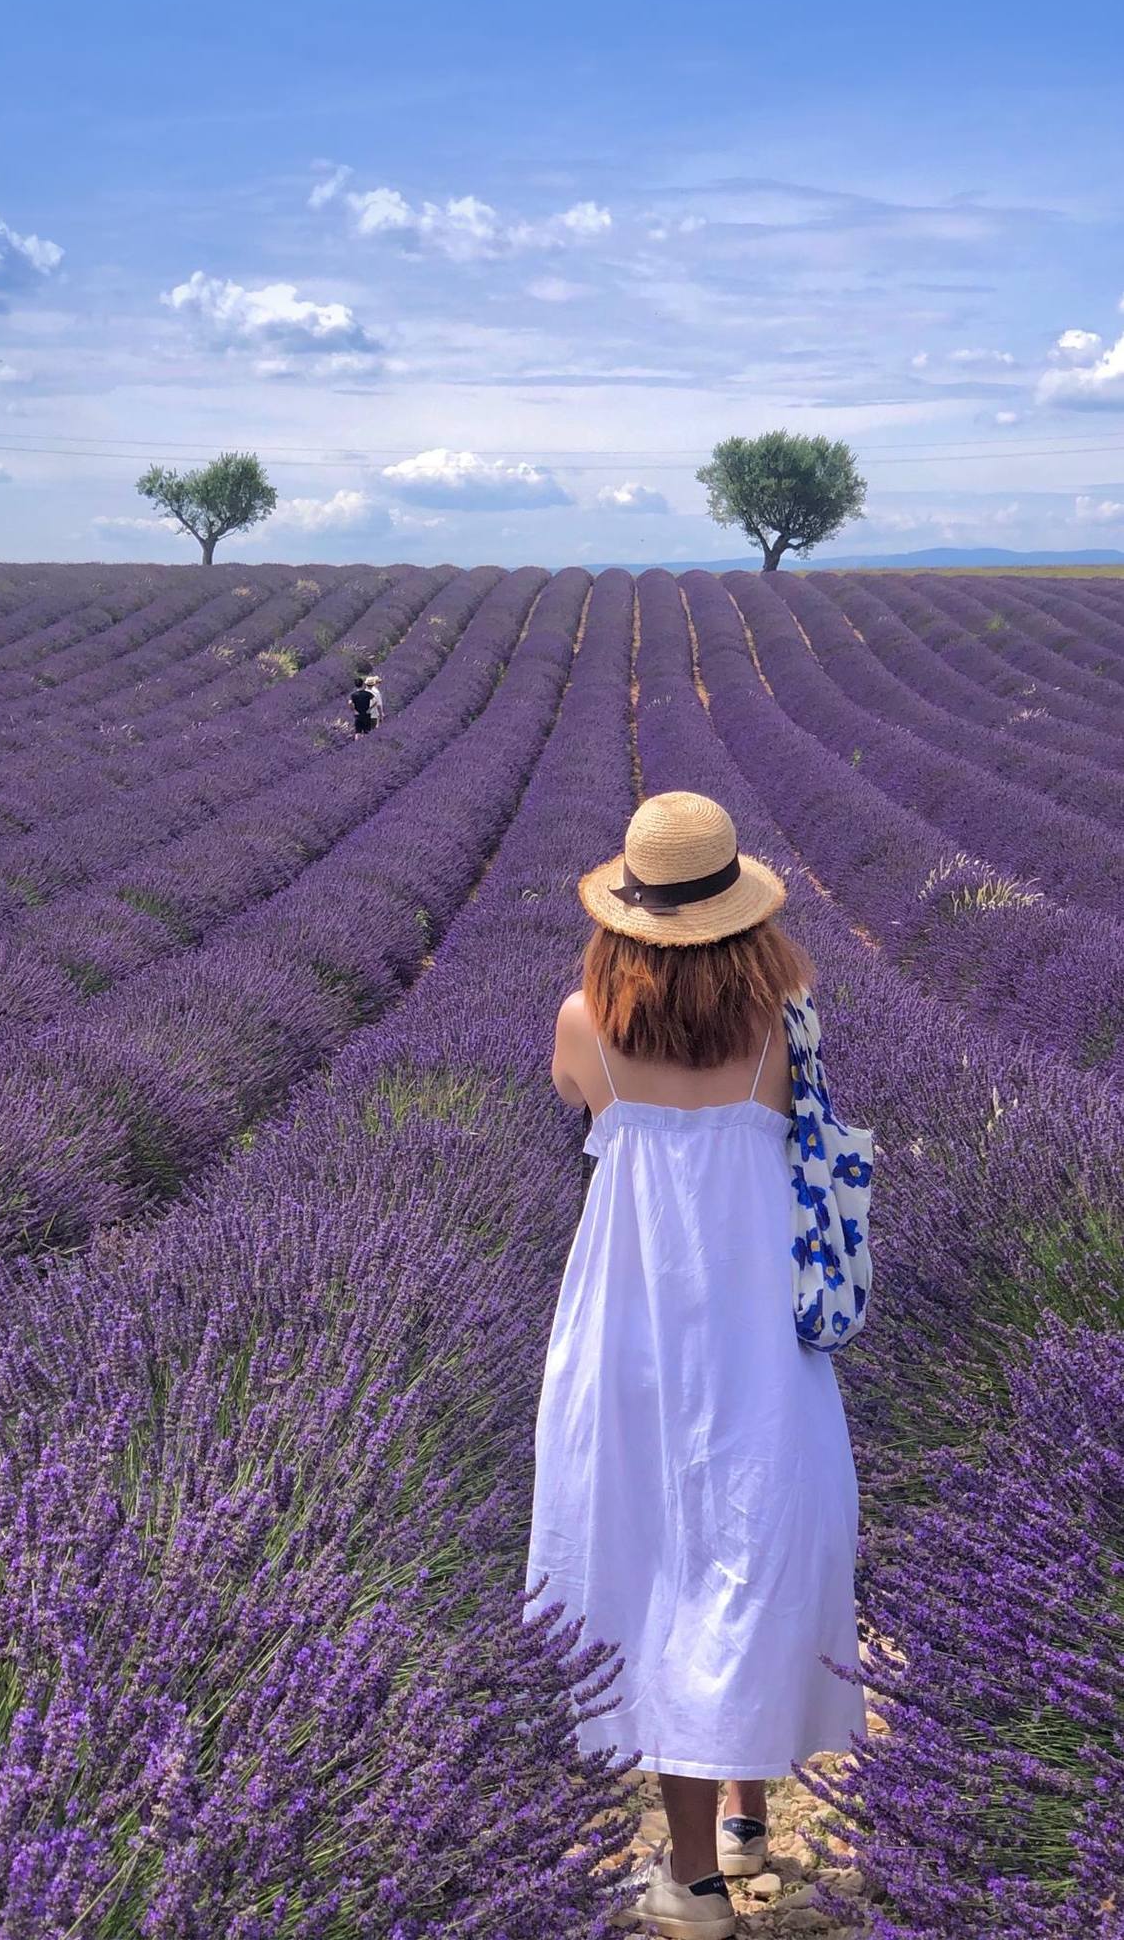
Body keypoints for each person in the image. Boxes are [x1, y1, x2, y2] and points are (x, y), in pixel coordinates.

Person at [525, 790, 867, 1938]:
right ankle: (750, 1817)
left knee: (656, 1569)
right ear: (744, 916)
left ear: (631, 916)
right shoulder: (788, 1018)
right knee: (757, 1549)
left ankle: (694, 1881)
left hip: (629, 1326)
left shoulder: (583, 1022)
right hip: (758, 1329)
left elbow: (580, 1105)